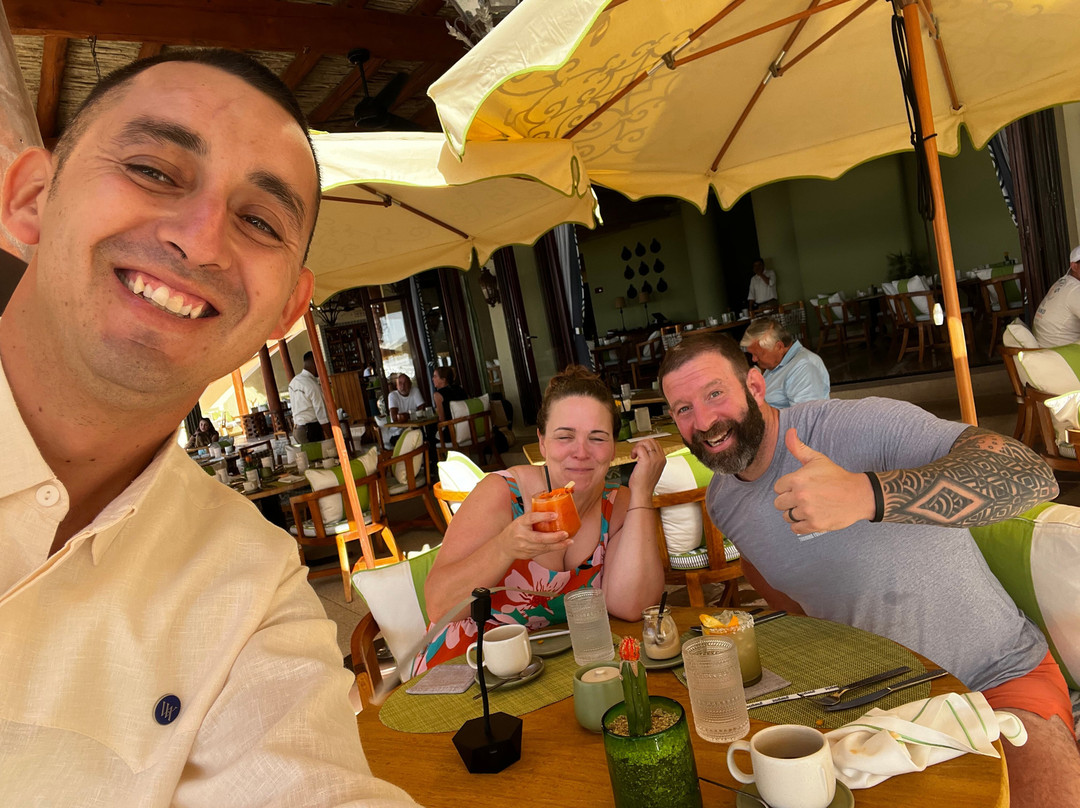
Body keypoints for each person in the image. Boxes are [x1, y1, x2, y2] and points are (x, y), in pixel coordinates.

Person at [0, 49, 415, 805]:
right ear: (30, 197)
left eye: (258, 220)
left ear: (288, 308)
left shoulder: (250, 584)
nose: (201, 240)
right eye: (153, 171)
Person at [658, 333, 1078, 807]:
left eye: (715, 393)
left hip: (995, 679)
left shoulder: (854, 426)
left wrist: (867, 494)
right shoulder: (724, 501)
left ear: (755, 386)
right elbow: (768, 572)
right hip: (869, 709)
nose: (704, 422)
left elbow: (1030, 475)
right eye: (683, 409)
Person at [415, 365, 666, 674]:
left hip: (558, 672)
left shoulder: (619, 504)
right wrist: (505, 547)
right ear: (542, 442)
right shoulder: (502, 493)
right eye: (565, 436)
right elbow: (439, 605)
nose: (581, 452)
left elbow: (631, 607)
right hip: (468, 664)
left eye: (598, 438)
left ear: (614, 446)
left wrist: (642, 494)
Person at [739, 318, 830, 408]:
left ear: (779, 347)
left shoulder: (803, 367)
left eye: (757, 354)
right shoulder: (776, 364)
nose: (754, 359)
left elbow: (805, 415)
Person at [1032, 245, 1080, 347]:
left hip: (1045, 346)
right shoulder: (1075, 289)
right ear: (1074, 266)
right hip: (1059, 351)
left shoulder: (1063, 281)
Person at [288, 350, 329, 444]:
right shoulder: (312, 385)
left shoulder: (294, 382)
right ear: (315, 363)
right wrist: (333, 438)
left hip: (298, 430)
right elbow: (322, 415)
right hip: (310, 430)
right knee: (319, 453)